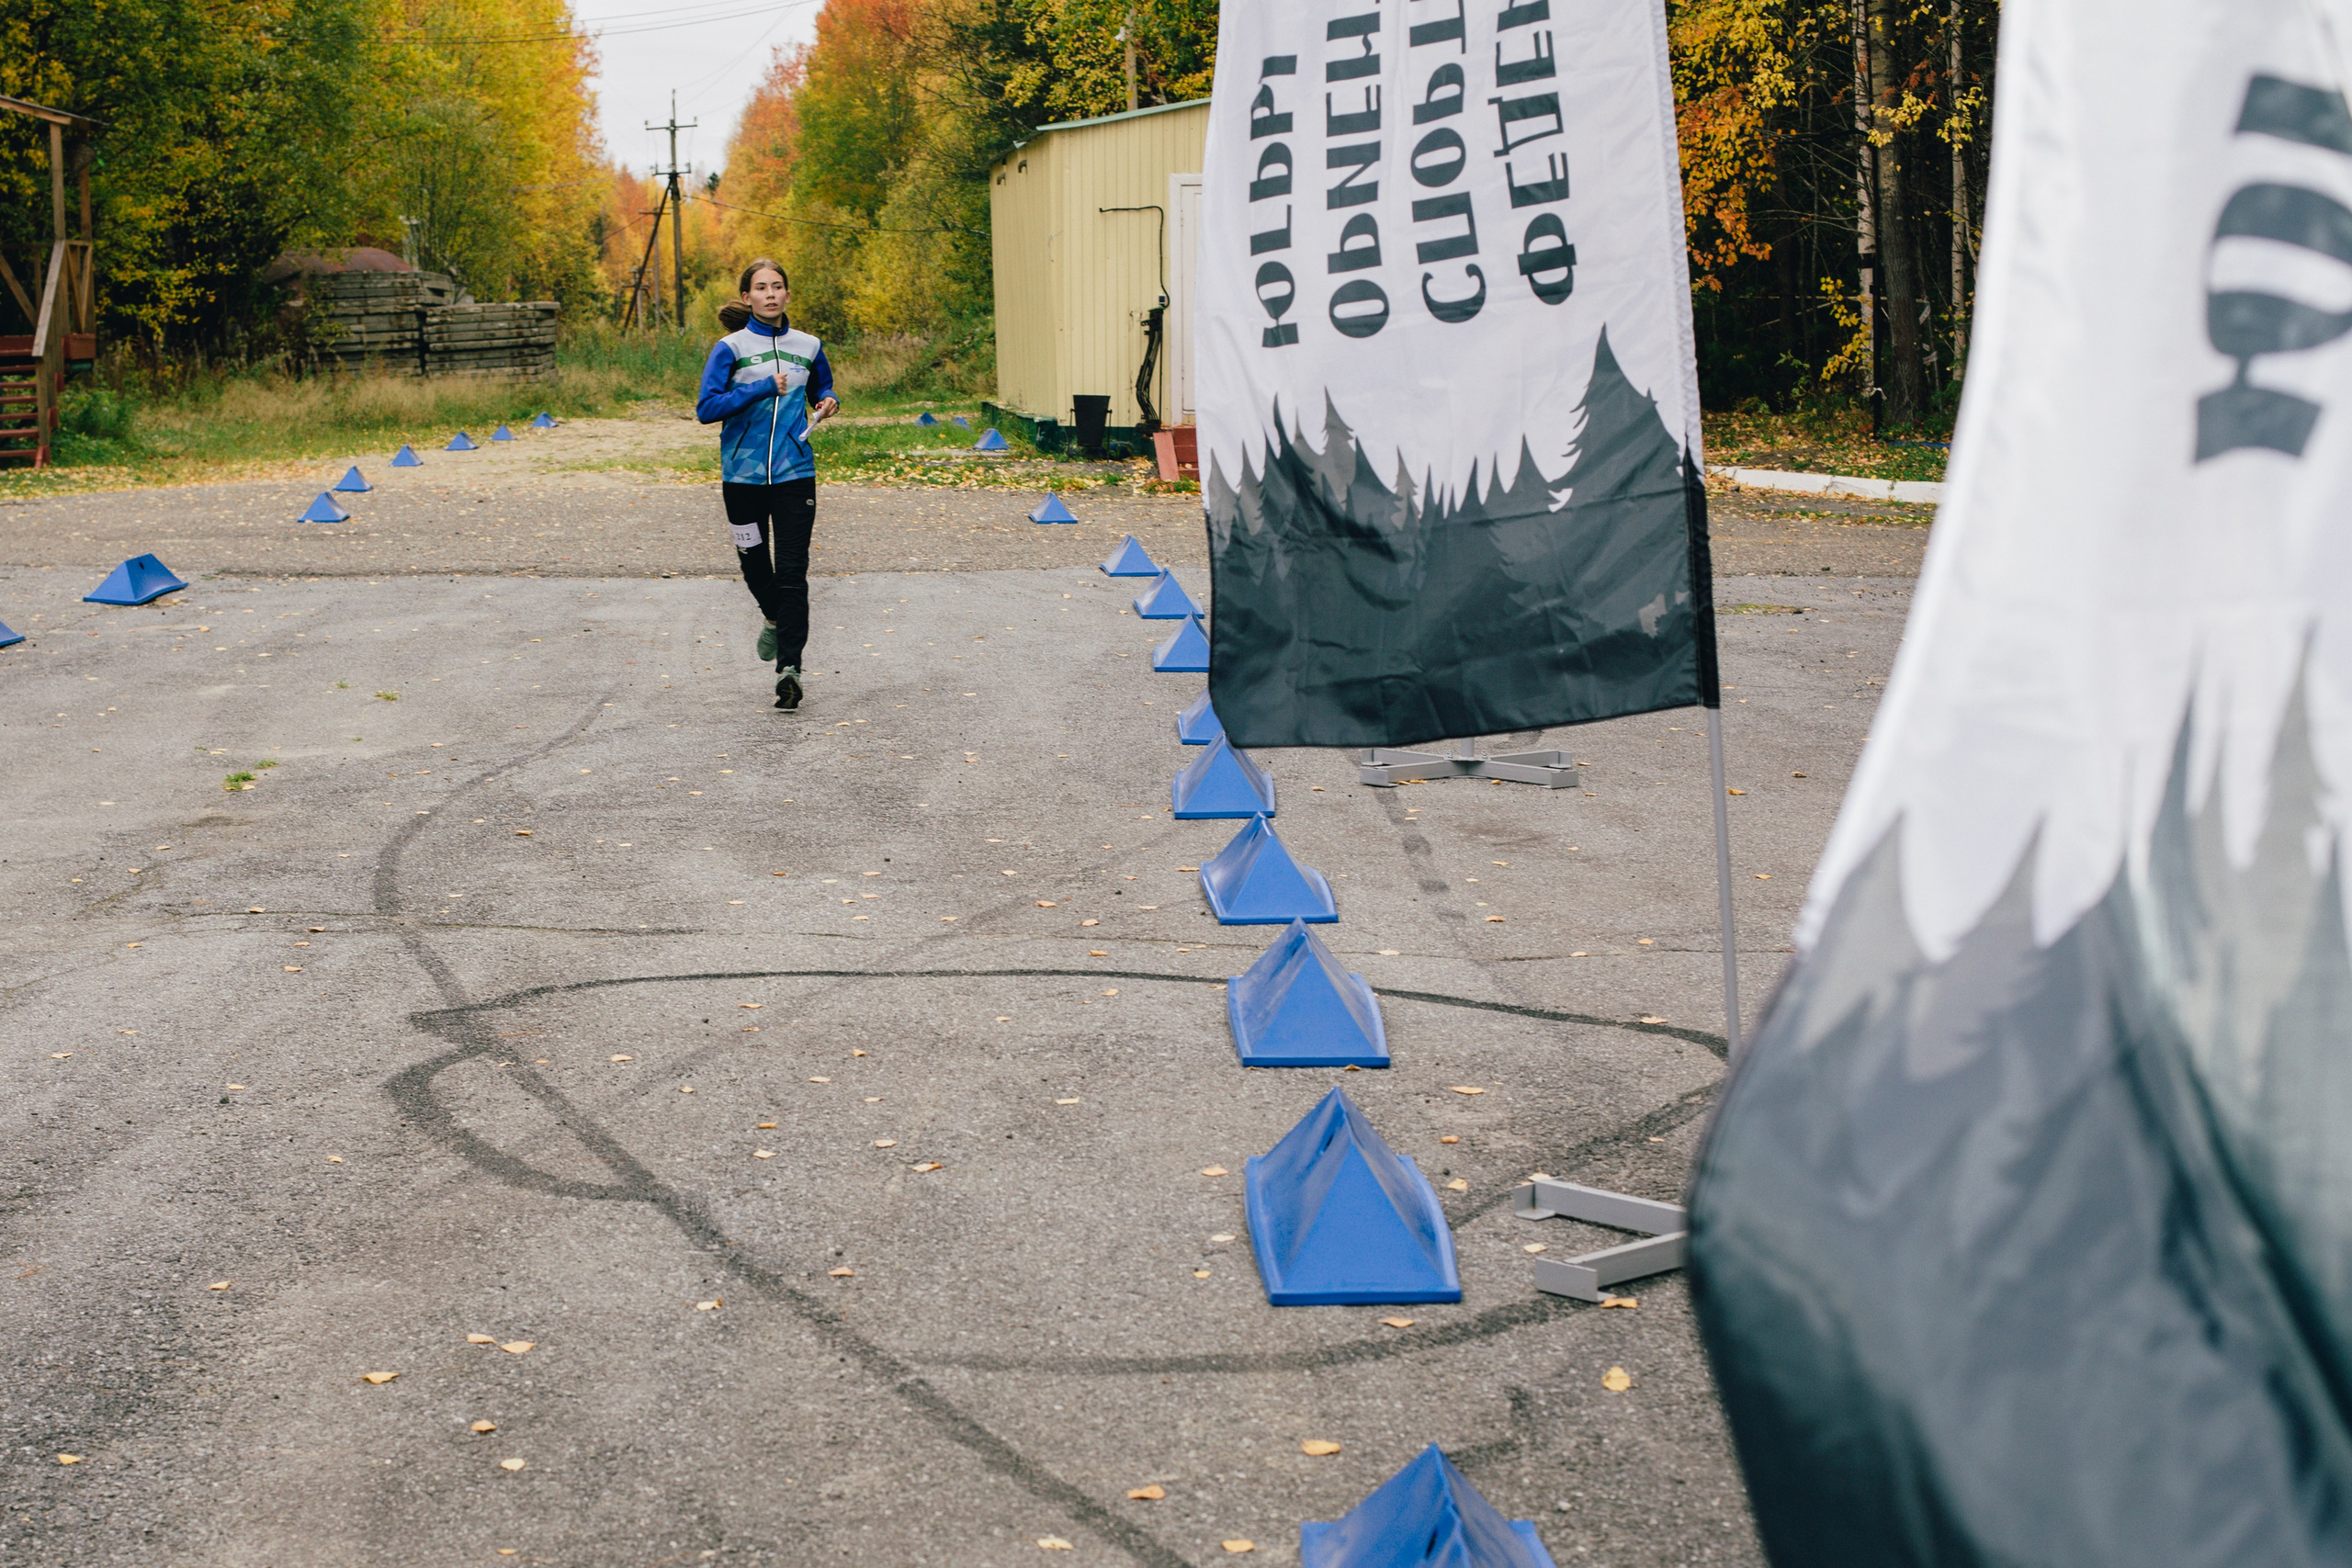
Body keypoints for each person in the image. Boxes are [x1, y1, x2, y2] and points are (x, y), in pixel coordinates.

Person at [696, 258, 837, 710]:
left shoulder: (809, 346)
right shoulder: (730, 349)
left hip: (796, 473)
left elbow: (822, 389)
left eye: (778, 287)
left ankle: (789, 669)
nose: (771, 294)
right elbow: (707, 408)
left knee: (793, 571)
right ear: (747, 297)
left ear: (788, 295)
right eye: (762, 288)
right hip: (742, 477)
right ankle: (773, 617)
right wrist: (760, 388)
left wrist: (828, 401)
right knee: (756, 565)